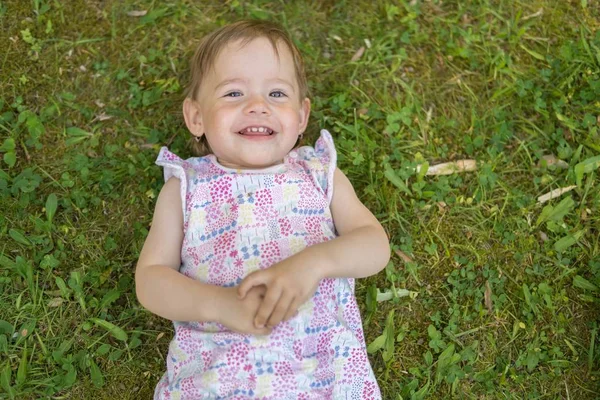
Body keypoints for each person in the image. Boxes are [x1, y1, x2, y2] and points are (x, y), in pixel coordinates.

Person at [135, 19, 391, 399]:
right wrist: (220, 305)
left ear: (301, 117)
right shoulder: (185, 188)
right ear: (196, 118)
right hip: (217, 379)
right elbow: (151, 279)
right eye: (234, 93)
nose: (257, 106)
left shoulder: (319, 174)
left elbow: (375, 245)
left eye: (276, 94)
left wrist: (312, 264)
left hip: (325, 377)